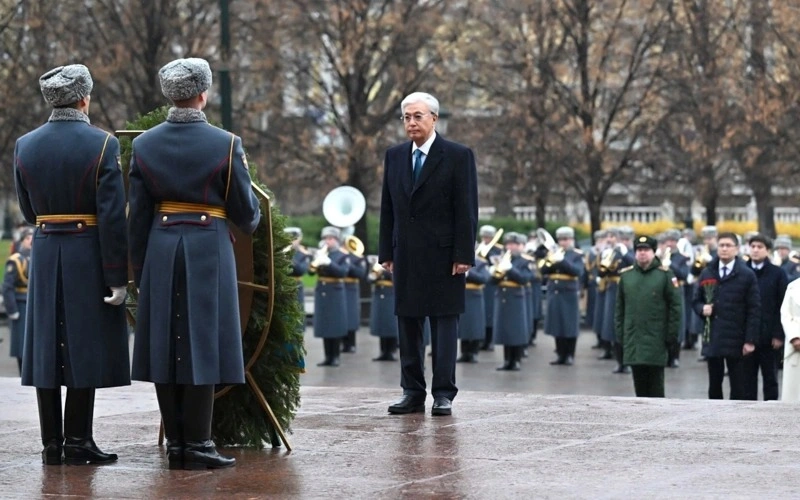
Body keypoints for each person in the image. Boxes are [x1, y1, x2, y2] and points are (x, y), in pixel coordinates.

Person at [128, 58, 261, 470]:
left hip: (161, 247)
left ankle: (177, 445)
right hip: (207, 247)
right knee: (204, 340)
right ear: (203, 93)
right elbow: (246, 212)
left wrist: (136, 269)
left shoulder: (144, 144)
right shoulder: (225, 143)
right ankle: (199, 443)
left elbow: (138, 216)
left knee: (165, 344)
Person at [14, 64, 130, 466]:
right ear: (84, 98)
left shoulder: (24, 145)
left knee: (47, 346)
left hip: (45, 248)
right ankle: (79, 439)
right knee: (85, 345)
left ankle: (51, 443)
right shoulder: (103, 145)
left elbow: (29, 211)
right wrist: (118, 276)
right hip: (87, 251)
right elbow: (113, 218)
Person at [378, 91, 478, 416]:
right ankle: (412, 391)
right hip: (405, 255)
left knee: (443, 326)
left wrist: (464, 254)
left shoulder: (457, 155)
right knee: (408, 325)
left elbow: (466, 209)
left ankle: (444, 393)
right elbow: (388, 208)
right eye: (406, 117)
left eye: (417, 116)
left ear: (434, 118)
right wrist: (385, 252)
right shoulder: (394, 156)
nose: (411, 122)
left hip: (444, 257)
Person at [692, 232, 760, 400]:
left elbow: (754, 309)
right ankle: (714, 419)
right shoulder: (708, 272)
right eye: (721, 245)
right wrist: (702, 309)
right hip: (713, 336)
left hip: (736, 338)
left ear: (736, 249)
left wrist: (750, 340)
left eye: (728, 245)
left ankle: (735, 420)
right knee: (714, 384)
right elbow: (696, 300)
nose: (724, 249)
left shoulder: (746, 274)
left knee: (738, 385)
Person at [615, 236, 683, 397]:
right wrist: (620, 335)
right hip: (634, 338)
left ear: (654, 252)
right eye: (639, 250)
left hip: (656, 338)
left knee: (655, 388)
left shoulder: (665, 275)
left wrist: (671, 335)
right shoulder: (627, 276)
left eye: (646, 250)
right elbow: (619, 309)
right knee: (639, 387)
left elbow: (675, 308)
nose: (642, 254)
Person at [743, 234, 787, 401]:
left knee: (770, 379)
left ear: (767, 250)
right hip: (747, 336)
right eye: (752, 246)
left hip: (769, 337)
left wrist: (778, 334)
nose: (755, 250)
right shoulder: (743, 271)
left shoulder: (777, 273)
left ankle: (771, 412)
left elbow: (782, 305)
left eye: (759, 247)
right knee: (747, 380)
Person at [540, 226, 585, 366]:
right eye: (560, 239)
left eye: (566, 239)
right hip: (554, 291)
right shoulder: (552, 253)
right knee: (557, 324)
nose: (563, 242)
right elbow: (543, 270)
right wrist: (551, 259)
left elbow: (577, 272)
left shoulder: (577, 255)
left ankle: (570, 355)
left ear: (571, 240)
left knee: (569, 325)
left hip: (568, 292)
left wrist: (562, 261)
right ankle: (560, 354)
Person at [490, 232, 533, 371]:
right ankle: (507, 360)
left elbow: (524, 279)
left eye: (514, 244)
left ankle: (516, 360)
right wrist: (495, 271)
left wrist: (510, 269)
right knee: (505, 331)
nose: (511, 247)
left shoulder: (525, 261)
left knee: (516, 331)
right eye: (508, 244)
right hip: (502, 297)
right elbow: (492, 281)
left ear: (521, 246)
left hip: (516, 298)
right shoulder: (501, 259)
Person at [309, 226, 349, 366]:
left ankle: (335, 356)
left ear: (337, 240)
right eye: (325, 238)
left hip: (335, 292)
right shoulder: (322, 253)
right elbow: (310, 273)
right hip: (322, 292)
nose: (327, 241)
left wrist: (329, 263)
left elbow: (343, 272)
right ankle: (327, 357)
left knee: (335, 325)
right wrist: (317, 260)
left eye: (330, 238)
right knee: (325, 325)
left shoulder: (342, 255)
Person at [2, 227, 32, 375]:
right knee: (22, 345)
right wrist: (12, 310)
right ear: (22, 241)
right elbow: (7, 287)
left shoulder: (37, 257)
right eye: (28, 238)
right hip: (21, 305)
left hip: (34, 304)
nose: (31, 241)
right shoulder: (15, 260)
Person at [780, 279, 800, 401]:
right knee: (793, 390)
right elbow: (785, 314)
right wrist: (794, 337)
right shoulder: (793, 286)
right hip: (796, 340)